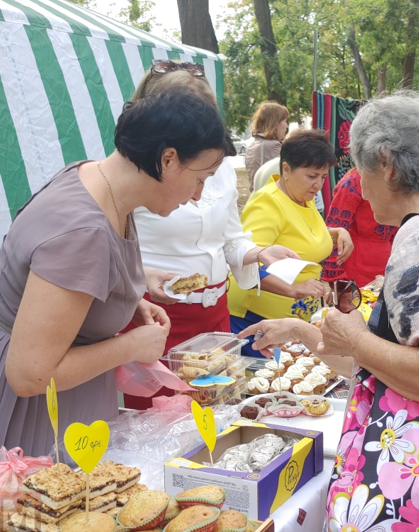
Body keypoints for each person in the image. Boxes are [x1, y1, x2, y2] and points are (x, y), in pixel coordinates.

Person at [0, 86, 235, 532]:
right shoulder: (83, 230)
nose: (197, 195)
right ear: (168, 159)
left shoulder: (99, 183)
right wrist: (130, 345)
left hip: (40, 408)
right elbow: (31, 374)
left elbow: (73, 289)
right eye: (201, 176)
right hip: (20, 422)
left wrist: (130, 296)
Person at [237, 91, 419, 532]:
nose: (357, 186)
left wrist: (360, 340)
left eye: (359, 168)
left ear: (386, 164)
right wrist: (307, 334)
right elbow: (390, 364)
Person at [123, 62, 298, 408]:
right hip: (160, 317)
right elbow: (112, 254)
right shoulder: (135, 173)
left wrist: (259, 253)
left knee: (220, 410)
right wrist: (140, 279)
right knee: (163, 422)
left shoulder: (221, 171)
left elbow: (231, 239)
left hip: (215, 316)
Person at [227, 129, 353, 355]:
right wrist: (292, 289)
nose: (318, 185)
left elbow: (302, 232)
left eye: (323, 177)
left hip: (290, 320)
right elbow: (247, 260)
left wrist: (335, 232)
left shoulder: (302, 196)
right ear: (286, 169)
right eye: (312, 176)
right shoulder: (267, 203)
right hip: (258, 318)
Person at [320, 169, 398, 286]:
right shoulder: (353, 182)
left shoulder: (398, 178)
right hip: (355, 263)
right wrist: (338, 280)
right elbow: (334, 232)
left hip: (387, 260)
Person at [244, 101, 289, 184]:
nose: (287, 126)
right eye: (285, 121)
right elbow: (285, 177)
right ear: (275, 123)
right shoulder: (272, 146)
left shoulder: (254, 143)